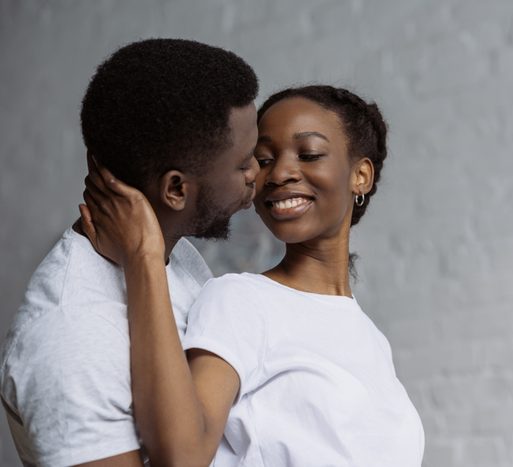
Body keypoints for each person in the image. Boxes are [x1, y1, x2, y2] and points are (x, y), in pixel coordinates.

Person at [81, 85, 425, 466]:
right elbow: (181, 456)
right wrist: (144, 254)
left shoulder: (372, 340)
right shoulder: (241, 301)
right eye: (262, 160)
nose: (279, 173)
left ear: (360, 175)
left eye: (308, 154)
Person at [0, 38, 260, 466]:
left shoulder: (174, 261)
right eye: (243, 162)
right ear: (176, 189)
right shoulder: (70, 338)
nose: (257, 172)